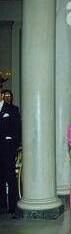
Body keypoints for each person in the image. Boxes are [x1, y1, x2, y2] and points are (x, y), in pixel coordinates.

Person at [0, 89, 21, 218]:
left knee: (10, 176)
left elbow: (17, 129)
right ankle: (2, 205)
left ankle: (13, 206)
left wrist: (13, 145)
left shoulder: (12, 110)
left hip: (7, 149)